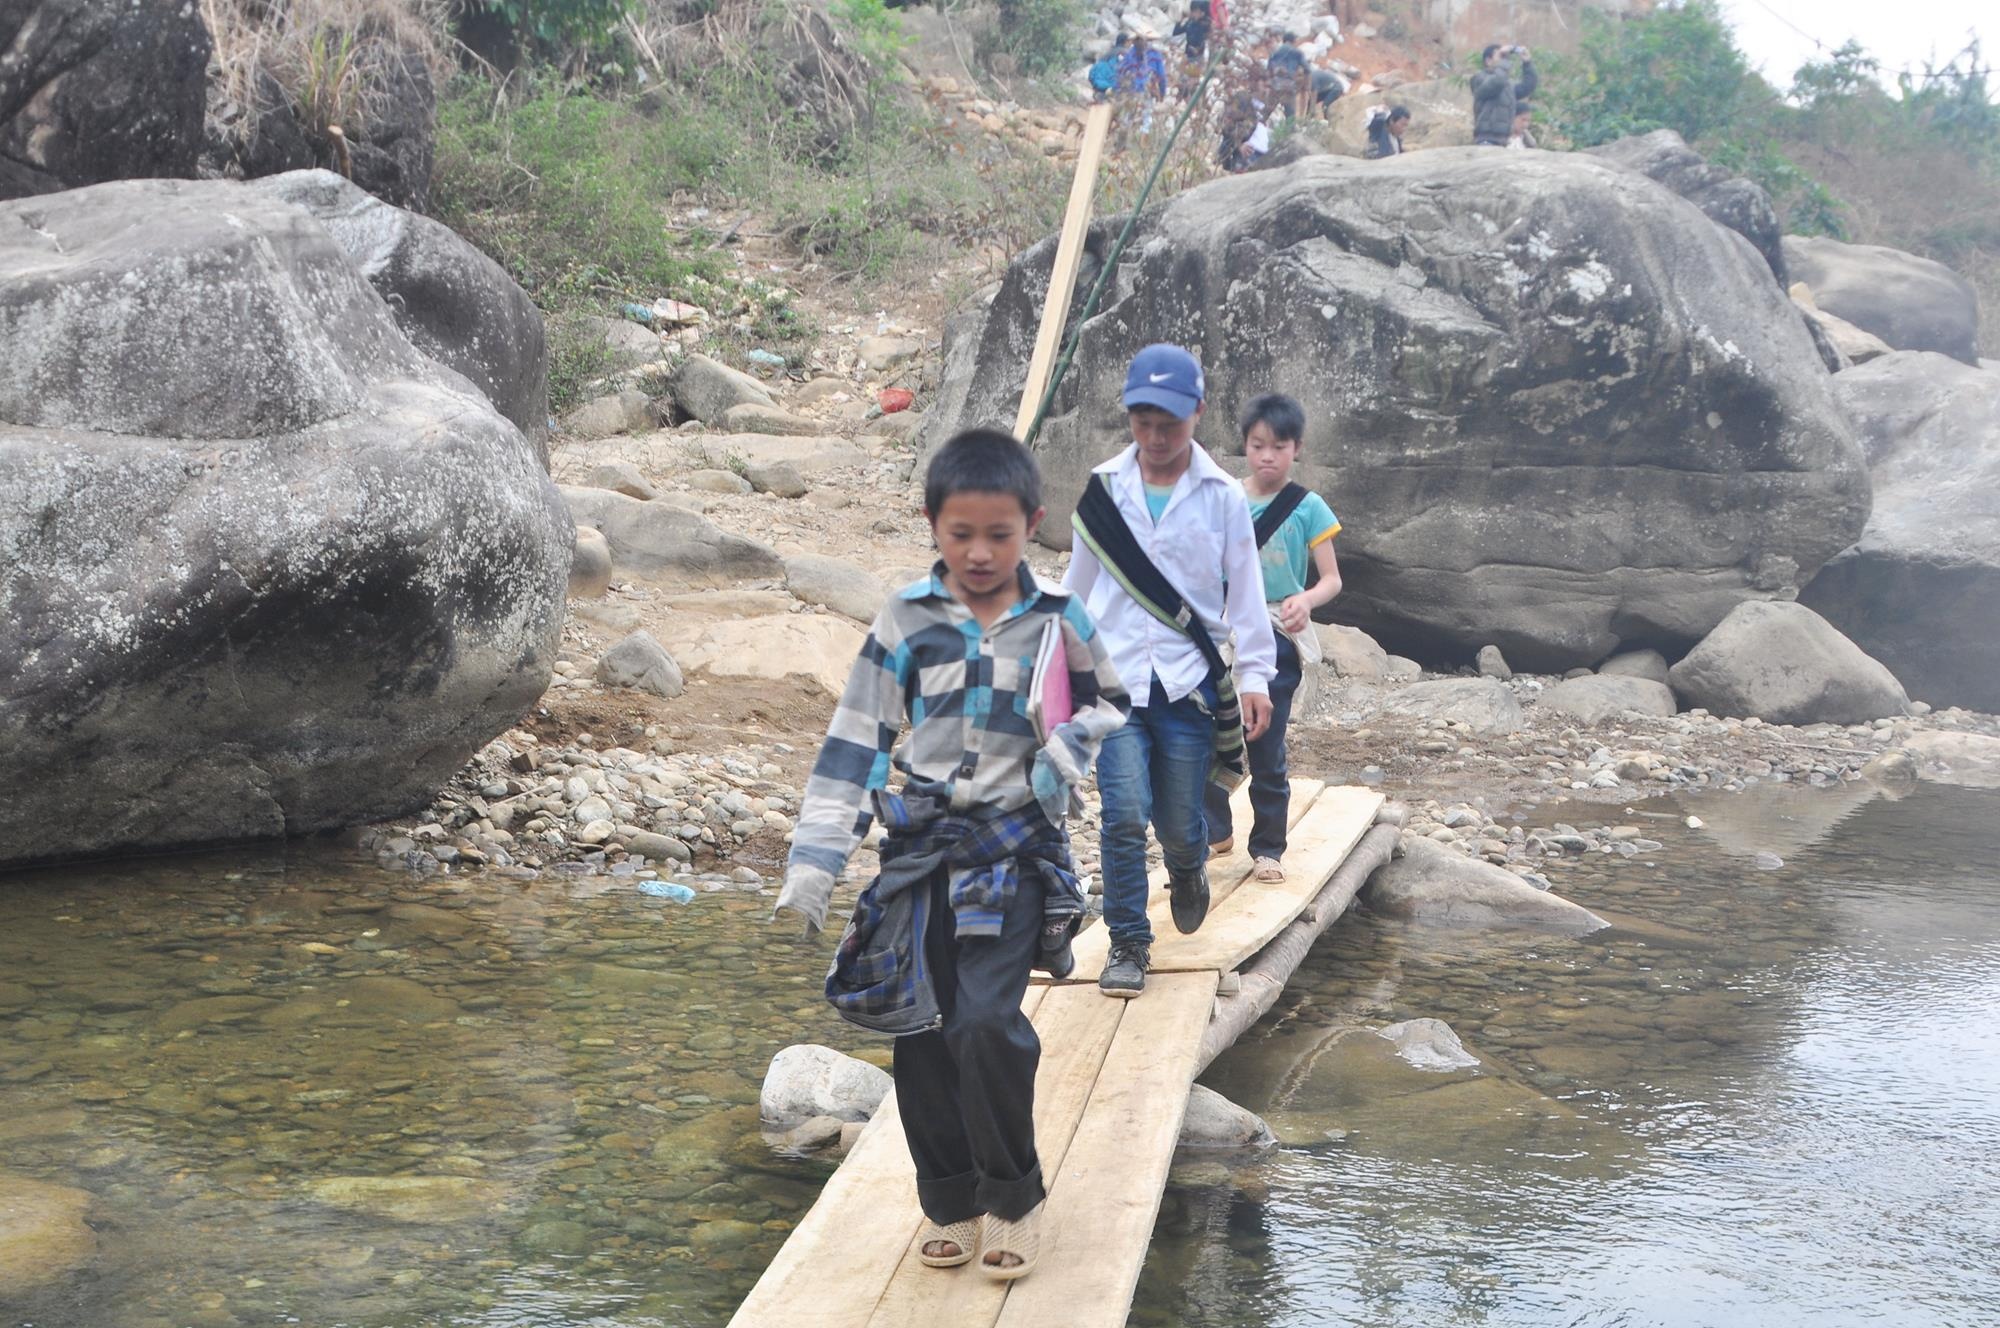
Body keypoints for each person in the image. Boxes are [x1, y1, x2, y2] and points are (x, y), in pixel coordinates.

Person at [777, 429, 1131, 1282]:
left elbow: (1110, 702)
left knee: (985, 1025)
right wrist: (815, 864)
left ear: (1032, 527)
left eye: (999, 535)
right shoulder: (904, 620)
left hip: (1012, 852)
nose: (979, 552)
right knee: (923, 1029)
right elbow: (858, 741)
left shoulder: (1058, 620)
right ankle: (952, 1200)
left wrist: (1063, 753)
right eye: (960, 533)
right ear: (933, 524)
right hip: (920, 856)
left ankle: (1015, 1198)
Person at [1063, 345, 1277, 999]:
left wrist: (1255, 678)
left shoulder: (1221, 498)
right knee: (1123, 813)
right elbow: (1077, 591)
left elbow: (1244, 593)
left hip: (1187, 685)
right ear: (1129, 416)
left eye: (1171, 425)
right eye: (1144, 422)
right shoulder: (1104, 489)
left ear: (1198, 415)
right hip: (1116, 682)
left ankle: (1188, 868)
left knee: (1180, 821)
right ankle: (1128, 941)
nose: (1156, 438)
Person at [1201, 394, 1342, 882]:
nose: (1266, 456)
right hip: (1222, 626)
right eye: (1258, 445)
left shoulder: (1308, 507)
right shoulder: (1225, 497)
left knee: (1266, 742)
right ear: (1245, 446)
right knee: (1199, 730)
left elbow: (1331, 579)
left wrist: (1305, 600)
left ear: (1296, 449)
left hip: (1278, 629)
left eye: (1277, 447)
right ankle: (1214, 827)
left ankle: (1268, 849)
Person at [1470, 42, 1536, 146]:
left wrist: (1527, 63)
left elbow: (1527, 87)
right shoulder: (1479, 79)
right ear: (1488, 61)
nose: (1504, 59)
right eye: (1500, 56)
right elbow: (1496, 82)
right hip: (1486, 138)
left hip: (1503, 139)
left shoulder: (1507, 85)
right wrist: (1505, 60)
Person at [1218, 90, 1270, 171]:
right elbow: (1225, 131)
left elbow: (1238, 135)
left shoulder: (1250, 121)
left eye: (1236, 107)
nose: (1232, 110)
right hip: (1245, 150)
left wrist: (1238, 146)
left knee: (1233, 147)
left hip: (1255, 154)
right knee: (1225, 144)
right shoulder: (1235, 119)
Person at [1265, 31, 1310, 119]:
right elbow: (1307, 70)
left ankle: (1257, 128)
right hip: (1288, 87)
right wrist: (1306, 86)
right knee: (1290, 118)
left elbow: (1269, 70)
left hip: (1275, 86)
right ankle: (1290, 131)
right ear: (1293, 41)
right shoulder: (1297, 53)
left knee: (1266, 113)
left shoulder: (1275, 51)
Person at [1089, 34, 1130, 102]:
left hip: (1097, 81)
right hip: (1111, 83)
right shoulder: (1124, 53)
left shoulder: (1108, 52)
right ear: (1126, 42)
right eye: (1129, 41)